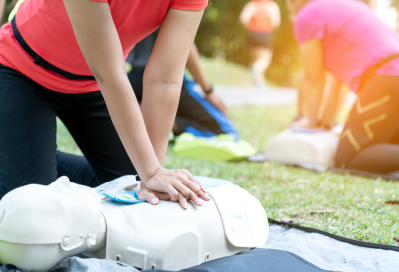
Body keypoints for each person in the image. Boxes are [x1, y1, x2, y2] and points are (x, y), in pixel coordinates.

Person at [0, 0, 211, 208]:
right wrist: (151, 171)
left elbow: (164, 79)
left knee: (134, 187)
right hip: (21, 71)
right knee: (28, 206)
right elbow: (108, 73)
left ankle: (24, 153)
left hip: (93, 85)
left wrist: (152, 175)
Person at [286, 0, 399, 174]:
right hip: (391, 75)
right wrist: (326, 122)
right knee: (390, 143)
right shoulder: (344, 6)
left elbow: (313, 77)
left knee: (349, 157)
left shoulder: (306, 16)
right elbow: (338, 84)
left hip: (386, 79)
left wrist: (312, 121)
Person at [126, 29, 239, 139]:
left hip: (133, 79)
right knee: (228, 133)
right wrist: (208, 90)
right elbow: (186, 43)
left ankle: (151, 119)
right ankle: (160, 123)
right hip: (167, 80)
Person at [239, 0, 281, 87]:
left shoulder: (253, 4)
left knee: (256, 59)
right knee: (264, 60)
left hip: (253, 33)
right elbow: (276, 22)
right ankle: (255, 69)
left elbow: (243, 18)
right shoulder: (272, 5)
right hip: (265, 33)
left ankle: (259, 83)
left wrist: (250, 26)